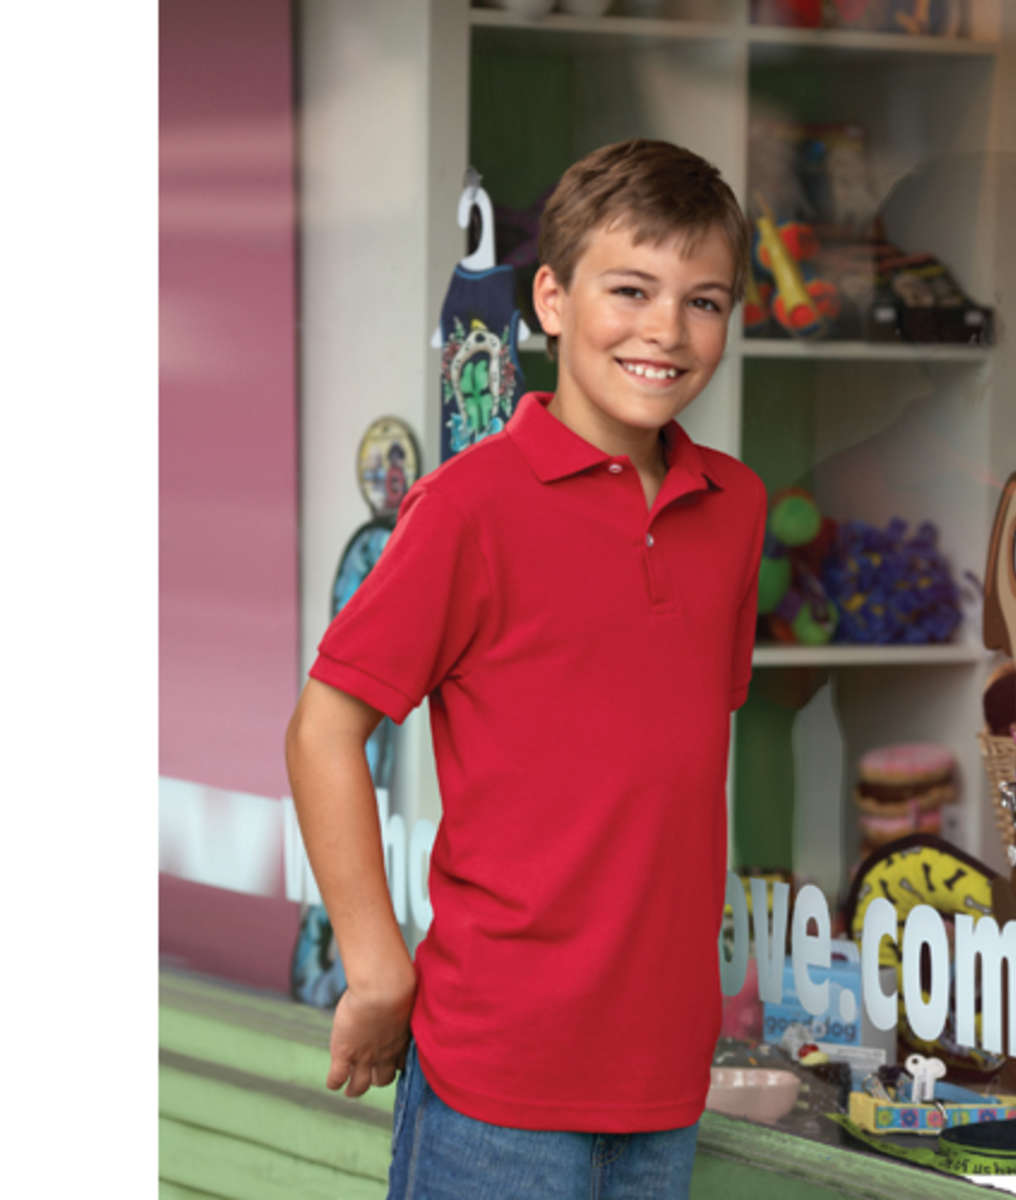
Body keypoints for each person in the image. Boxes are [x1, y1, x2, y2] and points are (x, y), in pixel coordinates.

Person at [285, 137, 766, 1199]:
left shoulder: (736, 509)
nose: (666, 330)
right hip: (493, 1083)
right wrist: (376, 966)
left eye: (704, 301)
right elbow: (324, 729)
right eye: (630, 290)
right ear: (550, 299)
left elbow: (663, 775)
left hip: (664, 1080)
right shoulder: (469, 508)